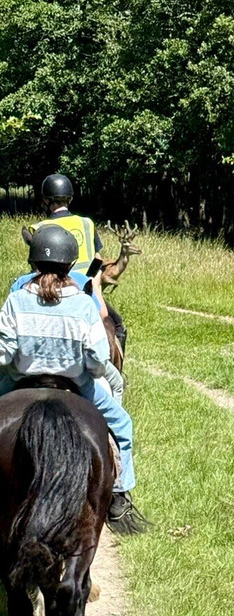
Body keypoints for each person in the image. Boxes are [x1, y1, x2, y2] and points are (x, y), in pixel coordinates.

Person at [0, 228, 145, 533]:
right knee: (122, 425)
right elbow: (96, 357)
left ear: (34, 261)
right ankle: (119, 496)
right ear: (70, 265)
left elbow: (4, 353)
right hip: (76, 385)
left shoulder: (15, 299)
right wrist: (85, 368)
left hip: (19, 382)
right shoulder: (82, 303)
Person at [27, 173, 128, 353]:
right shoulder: (87, 223)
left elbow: (36, 269)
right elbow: (98, 259)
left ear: (45, 200)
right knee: (117, 326)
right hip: (86, 290)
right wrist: (92, 284)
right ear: (70, 199)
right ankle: (115, 376)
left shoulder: (38, 229)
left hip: (50, 289)